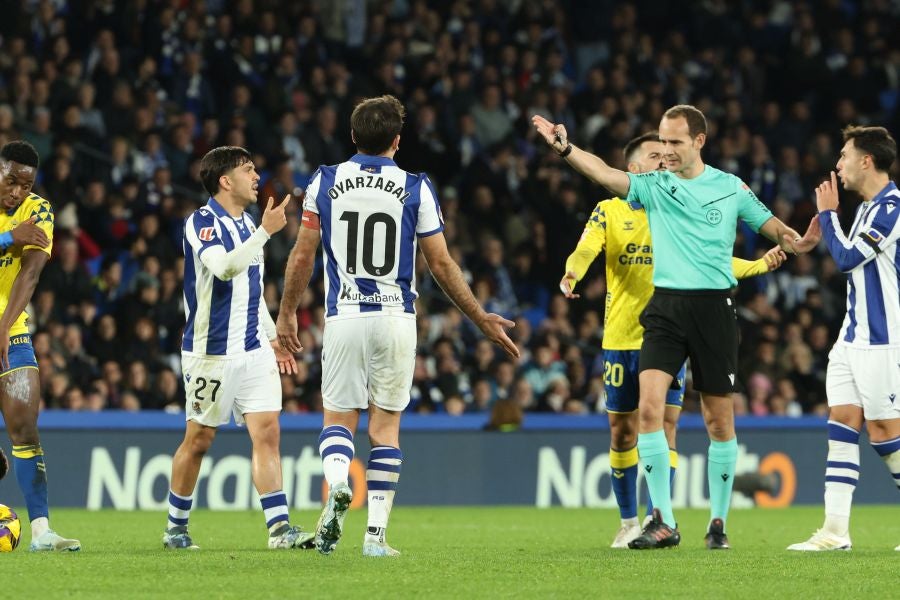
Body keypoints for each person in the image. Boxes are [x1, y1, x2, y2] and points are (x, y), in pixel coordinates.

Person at [533, 105, 820, 550]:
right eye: (662, 143)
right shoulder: (653, 186)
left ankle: (718, 524)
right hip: (664, 309)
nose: (665, 151)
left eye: (674, 143)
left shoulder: (730, 189)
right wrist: (566, 148)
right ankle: (662, 520)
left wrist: (798, 241)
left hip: (713, 310)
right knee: (649, 412)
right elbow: (607, 176)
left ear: (699, 142)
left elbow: (774, 228)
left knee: (717, 421)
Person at [277, 95, 519, 557]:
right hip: (395, 317)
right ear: (397, 140)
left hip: (345, 315)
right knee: (385, 429)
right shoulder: (416, 187)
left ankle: (336, 486)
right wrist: (479, 317)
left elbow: (302, 254)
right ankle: (375, 538)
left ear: (352, 137)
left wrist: (287, 312)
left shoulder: (324, 181)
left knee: (338, 418)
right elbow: (442, 264)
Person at [163, 146, 315, 551]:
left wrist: (271, 338)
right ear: (225, 181)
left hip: (252, 349)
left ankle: (279, 530)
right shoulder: (201, 222)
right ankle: (175, 527)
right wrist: (266, 231)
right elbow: (224, 268)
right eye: (248, 170)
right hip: (210, 352)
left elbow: (251, 292)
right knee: (199, 439)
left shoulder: (248, 222)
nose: (255, 176)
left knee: (267, 432)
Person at [788, 126, 900, 552]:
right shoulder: (869, 209)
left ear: (866, 161)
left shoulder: (892, 207)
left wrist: (829, 214)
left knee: (887, 435)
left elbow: (849, 258)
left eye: (844, 156)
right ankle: (835, 532)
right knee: (842, 426)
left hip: (883, 340)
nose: (838, 165)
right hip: (851, 338)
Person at [0, 140, 81, 551]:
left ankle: (41, 532)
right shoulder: (15, 222)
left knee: (25, 426)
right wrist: (7, 236)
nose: (17, 192)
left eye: (25, 186)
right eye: (10, 181)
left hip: (9, 328)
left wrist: (4, 325)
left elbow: (29, 275)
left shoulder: (40, 210)